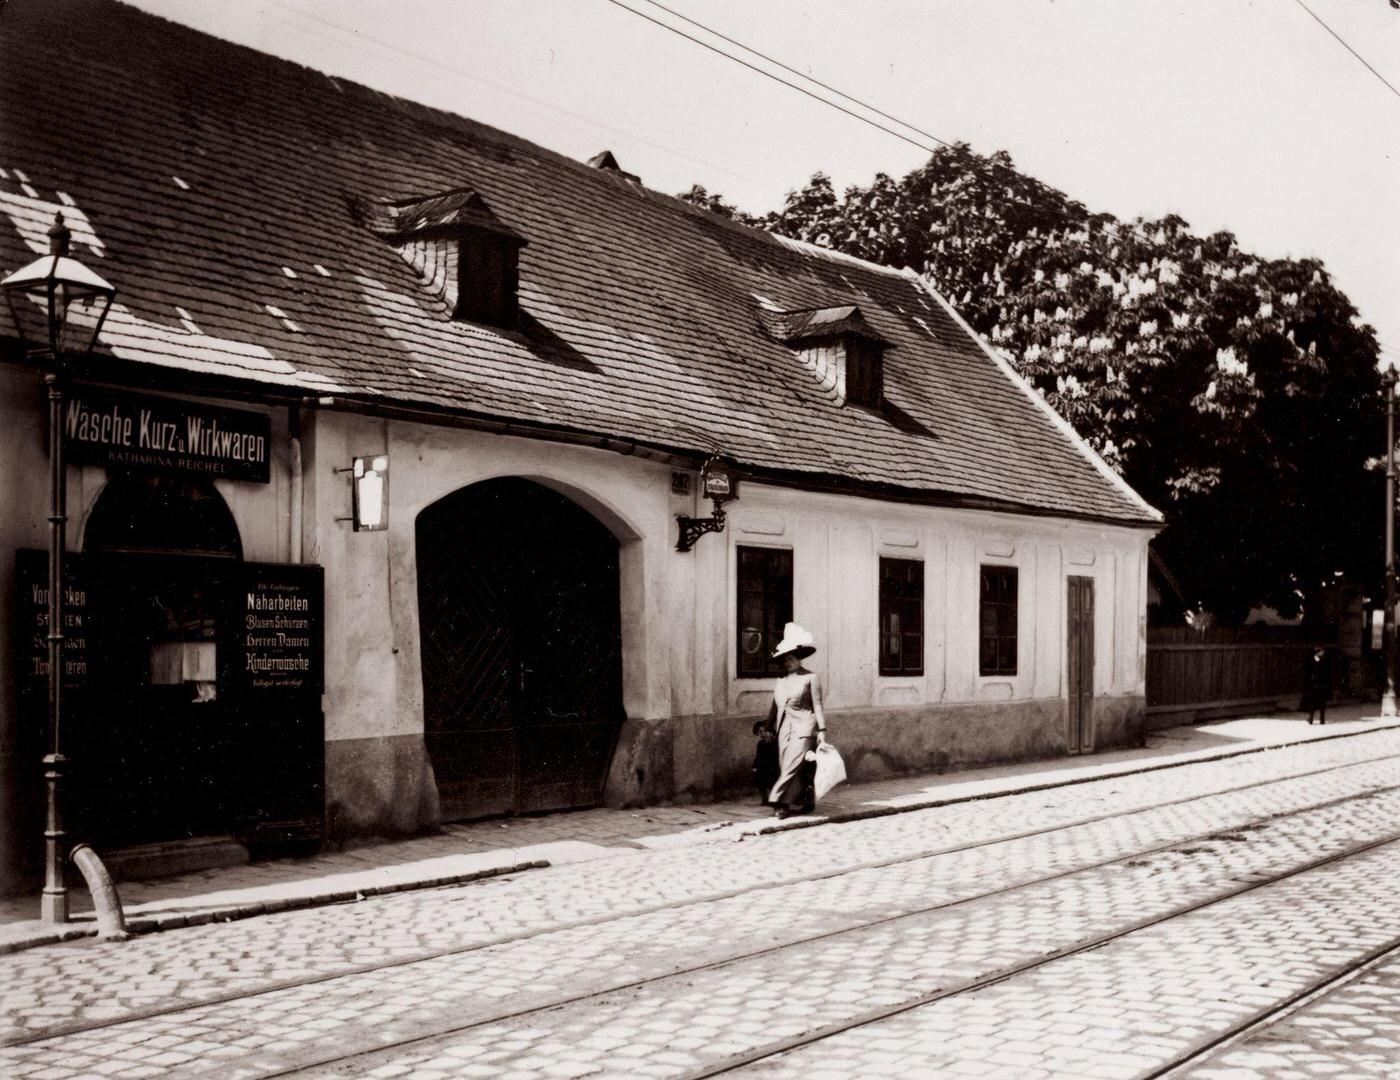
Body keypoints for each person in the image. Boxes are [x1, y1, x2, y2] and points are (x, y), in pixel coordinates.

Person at [764, 622, 828, 819]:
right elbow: (775, 707)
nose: (788, 663)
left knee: (792, 765)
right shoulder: (781, 681)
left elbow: (817, 705)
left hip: (805, 727)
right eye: (785, 660)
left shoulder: (810, 678)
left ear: (799, 659)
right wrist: (768, 726)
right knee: (790, 767)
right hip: (785, 729)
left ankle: (779, 802)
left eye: (791, 659)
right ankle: (805, 800)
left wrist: (822, 731)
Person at [752, 718, 779, 805]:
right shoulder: (761, 744)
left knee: (773, 780)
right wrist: (754, 766)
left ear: (770, 732)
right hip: (763, 767)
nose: (761, 734)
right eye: (759, 733)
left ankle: (774, 798)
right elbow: (758, 756)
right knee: (760, 779)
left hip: (774, 766)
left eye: (763, 731)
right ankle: (764, 798)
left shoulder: (776, 743)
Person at [1302, 646, 1332, 725]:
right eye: (1321, 652)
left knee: (1322, 703)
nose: (1323, 653)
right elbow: (1308, 672)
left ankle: (1322, 719)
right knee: (1312, 703)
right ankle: (1311, 718)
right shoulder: (1311, 661)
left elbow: (1326, 673)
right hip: (1313, 685)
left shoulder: (1324, 661)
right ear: (1317, 653)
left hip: (1321, 685)